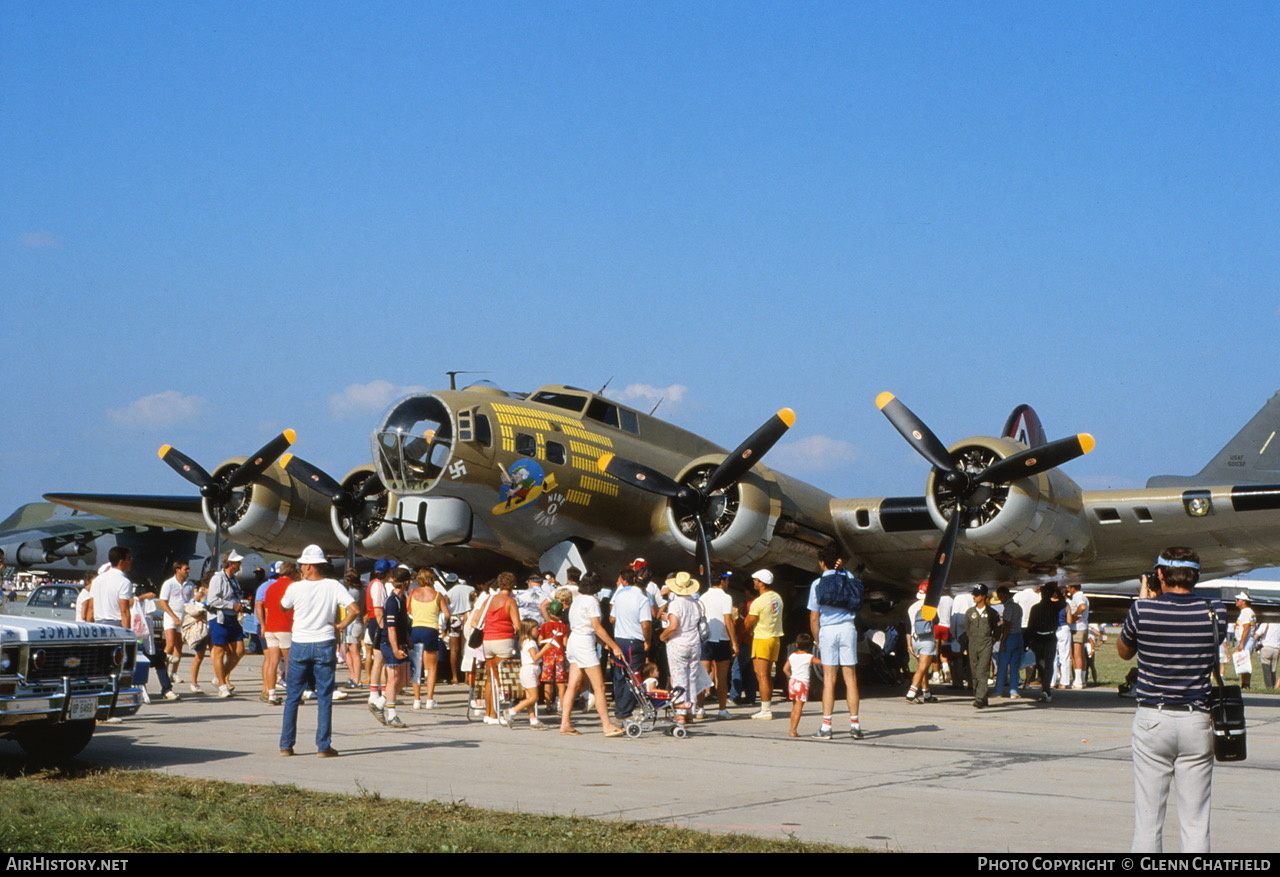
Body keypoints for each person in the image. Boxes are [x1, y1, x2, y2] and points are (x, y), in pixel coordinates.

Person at [1117, 547, 1225, 853]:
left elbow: (1125, 652)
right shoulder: (1215, 610)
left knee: (1148, 819)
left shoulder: (1143, 610)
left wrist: (1145, 598)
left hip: (1154, 717)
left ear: (1159, 574)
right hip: (1197, 718)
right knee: (1195, 820)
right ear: (1196, 576)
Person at [279, 545, 357, 757]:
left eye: (303, 564)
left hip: (300, 643)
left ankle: (286, 745)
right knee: (324, 696)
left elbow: (283, 606)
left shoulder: (295, 587)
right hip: (324, 642)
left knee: (293, 696)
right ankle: (323, 746)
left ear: (310, 566)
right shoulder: (333, 585)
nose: (301, 567)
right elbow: (355, 609)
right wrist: (341, 625)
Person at [806, 545, 863, 740]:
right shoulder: (849, 579)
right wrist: (843, 568)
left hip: (828, 631)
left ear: (821, 563)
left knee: (829, 679)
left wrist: (816, 637)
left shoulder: (817, 584)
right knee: (851, 678)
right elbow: (854, 584)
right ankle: (855, 725)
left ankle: (826, 726)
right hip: (848, 628)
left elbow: (814, 617)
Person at [559, 572, 625, 737]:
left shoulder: (577, 600)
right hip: (585, 643)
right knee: (599, 686)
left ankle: (565, 723)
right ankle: (607, 724)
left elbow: (586, 626)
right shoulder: (591, 602)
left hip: (575, 641)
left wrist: (603, 643)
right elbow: (596, 626)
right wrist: (614, 645)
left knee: (573, 685)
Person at [659, 572, 711, 727]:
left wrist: (663, 636)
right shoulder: (696, 603)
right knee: (692, 678)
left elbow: (674, 625)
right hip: (694, 643)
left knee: (679, 678)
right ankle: (690, 712)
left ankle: (681, 713)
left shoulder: (676, 604)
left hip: (678, 643)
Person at [609, 567, 652, 721]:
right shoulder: (642, 599)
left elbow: (612, 618)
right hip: (634, 640)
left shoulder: (619, 595)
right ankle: (625, 711)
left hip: (619, 639)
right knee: (633, 675)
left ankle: (620, 708)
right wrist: (648, 641)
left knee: (620, 676)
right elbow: (646, 624)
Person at [376, 567, 413, 728]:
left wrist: (407, 640)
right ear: (406, 582)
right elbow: (390, 628)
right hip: (390, 643)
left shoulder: (402, 599)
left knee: (405, 677)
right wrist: (395, 648)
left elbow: (401, 625)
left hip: (401, 641)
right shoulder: (392, 602)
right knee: (393, 678)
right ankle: (391, 715)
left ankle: (380, 702)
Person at [206, 550, 246, 698]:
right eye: (237, 563)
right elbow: (212, 600)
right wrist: (231, 605)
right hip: (219, 618)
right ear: (230, 563)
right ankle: (222, 686)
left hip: (233, 618)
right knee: (219, 651)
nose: (239, 565)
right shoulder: (218, 578)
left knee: (239, 650)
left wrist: (239, 606)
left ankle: (220, 675)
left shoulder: (234, 579)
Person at [408, 568, 450, 710]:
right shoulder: (437, 595)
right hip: (431, 629)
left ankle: (417, 699)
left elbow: (408, 610)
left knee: (416, 667)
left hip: (416, 628)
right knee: (431, 668)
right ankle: (430, 699)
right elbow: (447, 614)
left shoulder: (413, 593)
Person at [744, 569, 783, 720]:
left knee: (762, 675)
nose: (754, 582)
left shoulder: (759, 601)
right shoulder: (777, 597)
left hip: (762, 638)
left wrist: (748, 629)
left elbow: (748, 622)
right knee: (767, 675)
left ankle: (765, 709)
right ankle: (766, 706)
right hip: (775, 637)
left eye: (756, 580)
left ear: (761, 583)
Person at [700, 571, 737, 719]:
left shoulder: (703, 597)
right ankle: (722, 709)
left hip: (705, 639)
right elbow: (728, 620)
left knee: (703, 675)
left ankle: (700, 709)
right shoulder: (726, 597)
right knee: (722, 677)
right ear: (722, 581)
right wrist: (734, 642)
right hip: (721, 639)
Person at [257, 561, 295, 704]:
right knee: (290, 662)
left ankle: (271, 693)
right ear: (292, 572)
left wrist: (264, 625)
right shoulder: (292, 586)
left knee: (272, 661)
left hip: (271, 627)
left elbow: (265, 608)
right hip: (285, 626)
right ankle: (292, 693)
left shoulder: (270, 587)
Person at [508, 618, 548, 727]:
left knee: (529, 697)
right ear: (529, 629)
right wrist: (546, 648)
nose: (538, 630)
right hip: (529, 670)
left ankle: (533, 719)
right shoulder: (530, 642)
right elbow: (535, 657)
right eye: (536, 628)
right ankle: (512, 711)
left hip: (529, 670)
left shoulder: (525, 641)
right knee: (534, 697)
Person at [965, 584, 999, 709]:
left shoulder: (992, 613)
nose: (974, 597)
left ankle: (980, 698)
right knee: (974, 671)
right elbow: (967, 629)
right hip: (973, 642)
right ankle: (980, 696)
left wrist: (991, 641)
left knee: (982, 671)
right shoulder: (970, 612)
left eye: (977, 594)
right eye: (973, 594)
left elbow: (997, 629)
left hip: (986, 642)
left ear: (983, 596)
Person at [905, 584, 939, 704]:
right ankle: (911, 693)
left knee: (922, 667)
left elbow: (908, 627)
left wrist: (909, 644)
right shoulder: (930, 606)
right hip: (927, 639)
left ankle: (927, 693)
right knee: (922, 668)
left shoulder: (911, 607)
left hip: (915, 639)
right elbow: (936, 621)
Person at [158, 560, 190, 683]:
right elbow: (163, 602)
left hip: (184, 618)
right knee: (170, 644)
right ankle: (163, 671)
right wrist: (173, 617)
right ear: (177, 570)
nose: (188, 571)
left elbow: (190, 601)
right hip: (171, 617)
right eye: (185, 569)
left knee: (179, 646)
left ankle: (174, 673)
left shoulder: (190, 584)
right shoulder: (168, 583)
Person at [89, 547, 134, 629]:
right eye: (129, 558)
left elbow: (91, 608)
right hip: (115, 625)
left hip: (98, 624)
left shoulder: (97, 580)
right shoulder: (124, 582)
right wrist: (128, 634)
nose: (131, 561)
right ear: (121, 562)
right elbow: (124, 611)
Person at [785, 633, 820, 738]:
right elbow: (822, 663)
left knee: (794, 706)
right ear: (810, 647)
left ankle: (791, 728)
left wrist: (791, 676)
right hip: (802, 683)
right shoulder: (809, 657)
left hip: (793, 682)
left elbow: (785, 669)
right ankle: (793, 730)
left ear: (796, 645)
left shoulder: (792, 656)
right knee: (799, 708)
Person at [994, 585, 1024, 698]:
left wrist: (1002, 641)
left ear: (1005, 595)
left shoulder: (1008, 608)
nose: (1000, 599)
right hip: (1018, 635)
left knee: (1002, 665)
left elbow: (1007, 625)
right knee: (1014, 666)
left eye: (1000, 596)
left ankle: (998, 691)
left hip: (1009, 636)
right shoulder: (1018, 607)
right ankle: (1013, 690)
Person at [1066, 582, 1090, 689]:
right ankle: (1082, 679)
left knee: (1076, 654)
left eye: (1068, 587)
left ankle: (1078, 680)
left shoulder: (1077, 597)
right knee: (1081, 654)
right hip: (1083, 626)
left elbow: (1082, 607)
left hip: (1077, 628)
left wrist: (1074, 614)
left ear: (1072, 588)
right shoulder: (1083, 596)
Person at [1231, 593, 1256, 688]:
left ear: (1244, 601)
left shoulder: (1246, 612)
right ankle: (1245, 683)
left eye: (1238, 599)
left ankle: (1246, 684)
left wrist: (1241, 644)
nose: (1236, 601)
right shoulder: (1247, 611)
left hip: (1246, 640)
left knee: (1244, 661)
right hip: (1247, 640)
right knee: (1244, 662)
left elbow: (1246, 628)